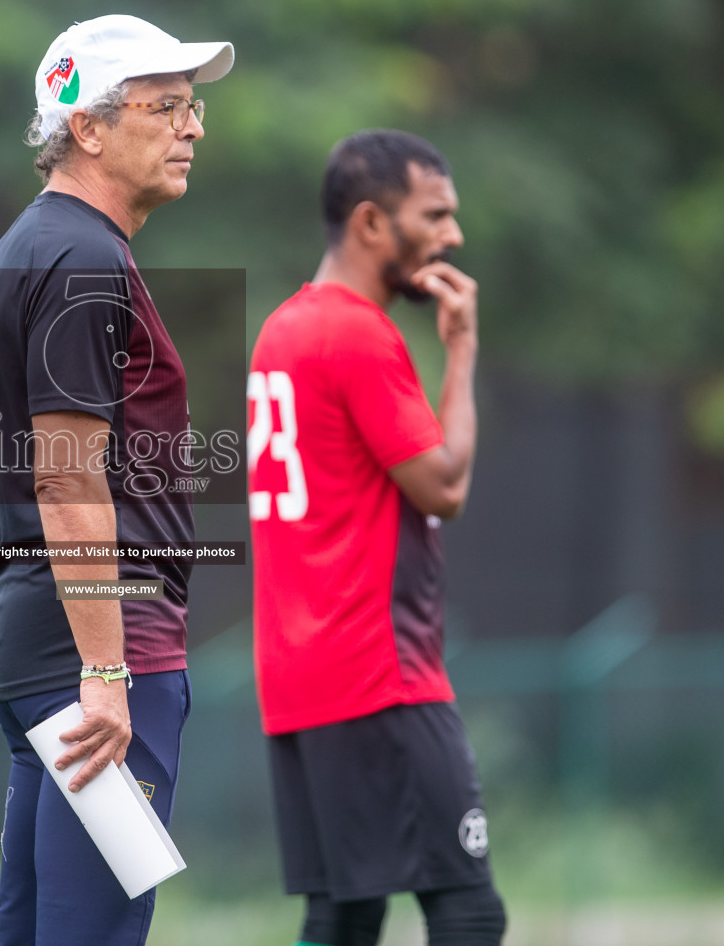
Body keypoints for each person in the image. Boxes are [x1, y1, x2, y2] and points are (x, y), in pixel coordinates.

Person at [0, 14, 234, 946]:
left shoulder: (38, 244)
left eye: (191, 108)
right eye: (167, 107)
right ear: (87, 127)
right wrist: (108, 672)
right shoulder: (82, 256)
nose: (193, 128)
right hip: (96, 659)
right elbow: (67, 482)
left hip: (41, 649)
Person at [247, 130, 507, 946]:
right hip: (378, 675)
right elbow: (446, 486)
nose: (452, 236)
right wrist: (460, 351)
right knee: (467, 908)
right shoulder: (357, 333)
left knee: (346, 913)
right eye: (434, 215)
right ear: (369, 223)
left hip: (298, 679)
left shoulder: (282, 330)